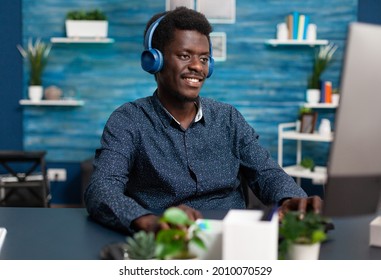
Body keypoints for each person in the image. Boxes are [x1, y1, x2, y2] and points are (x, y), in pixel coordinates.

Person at [84, 7, 322, 234]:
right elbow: (102, 189)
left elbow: (267, 173)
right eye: (184, 55)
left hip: (234, 239)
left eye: (205, 59)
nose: (197, 66)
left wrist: (291, 199)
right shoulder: (128, 120)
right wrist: (146, 221)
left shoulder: (228, 118)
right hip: (169, 240)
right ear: (154, 61)